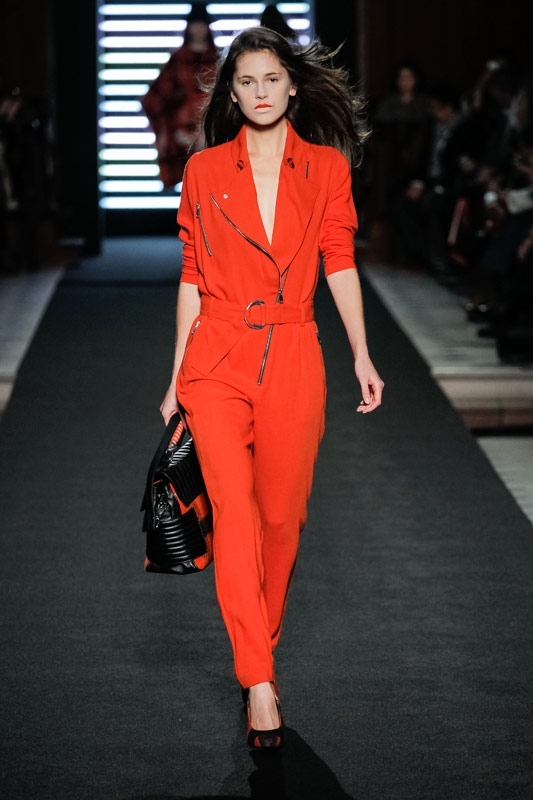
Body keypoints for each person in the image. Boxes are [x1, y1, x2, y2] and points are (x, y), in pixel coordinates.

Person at [160, 26, 384, 750]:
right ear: (231, 92)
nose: (260, 92)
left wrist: (362, 353)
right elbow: (192, 275)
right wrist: (175, 376)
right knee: (232, 513)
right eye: (246, 81)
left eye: (271, 79)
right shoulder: (204, 171)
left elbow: (339, 258)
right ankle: (258, 680)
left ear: (292, 85)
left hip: (293, 351)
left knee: (282, 521)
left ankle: (259, 649)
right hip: (218, 356)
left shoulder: (325, 167)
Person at [141, 4, 218, 187]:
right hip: (181, 138)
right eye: (195, 24)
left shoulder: (218, 59)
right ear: (188, 27)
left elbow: (227, 98)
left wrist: (211, 131)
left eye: (202, 24)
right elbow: (153, 100)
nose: (198, 29)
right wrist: (174, 131)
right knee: (188, 191)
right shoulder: (178, 60)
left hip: (213, 134)